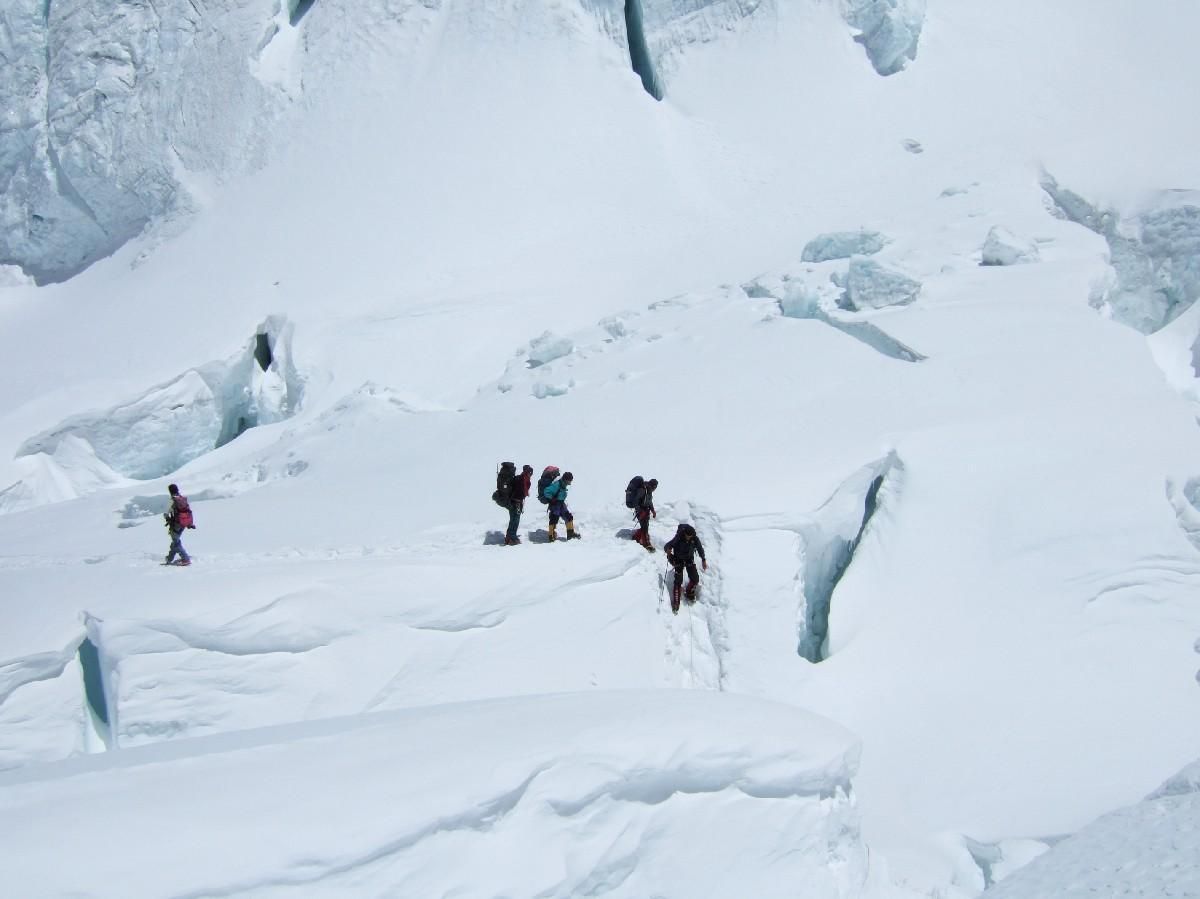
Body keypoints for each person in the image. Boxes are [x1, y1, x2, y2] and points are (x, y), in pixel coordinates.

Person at [664, 523, 706, 613]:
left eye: (690, 536)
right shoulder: (678, 538)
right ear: (684, 534)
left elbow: (700, 549)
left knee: (695, 579)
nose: (688, 538)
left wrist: (703, 559)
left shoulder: (695, 539)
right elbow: (667, 545)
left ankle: (689, 592)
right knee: (678, 580)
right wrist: (668, 550)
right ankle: (676, 602)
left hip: (689, 559)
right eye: (687, 536)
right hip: (678, 560)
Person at [543, 471, 580, 542]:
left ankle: (570, 534)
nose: (570, 482)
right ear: (566, 480)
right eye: (570, 480)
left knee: (568, 517)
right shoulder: (557, 485)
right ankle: (551, 536)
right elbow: (546, 491)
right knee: (554, 519)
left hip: (561, 504)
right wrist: (551, 500)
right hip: (555, 505)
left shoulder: (563, 485)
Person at [163, 483, 193, 566]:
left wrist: (167, 518)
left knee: (176, 542)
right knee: (175, 540)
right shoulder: (182, 498)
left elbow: (166, 513)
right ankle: (169, 558)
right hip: (184, 523)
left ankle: (185, 559)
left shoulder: (173, 500)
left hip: (176, 524)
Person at [505, 464, 534, 546]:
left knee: (513, 519)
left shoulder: (519, 478)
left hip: (512, 501)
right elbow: (519, 491)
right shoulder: (522, 479)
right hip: (517, 502)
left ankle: (509, 537)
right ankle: (512, 537)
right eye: (530, 472)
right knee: (515, 520)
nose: (530, 474)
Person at [631, 478, 658, 551]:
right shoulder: (643, 490)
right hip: (641, 511)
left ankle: (636, 536)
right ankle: (646, 544)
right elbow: (635, 502)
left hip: (646, 511)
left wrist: (653, 511)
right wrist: (639, 511)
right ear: (653, 486)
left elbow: (649, 502)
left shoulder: (649, 491)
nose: (655, 489)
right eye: (655, 487)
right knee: (644, 527)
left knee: (645, 526)